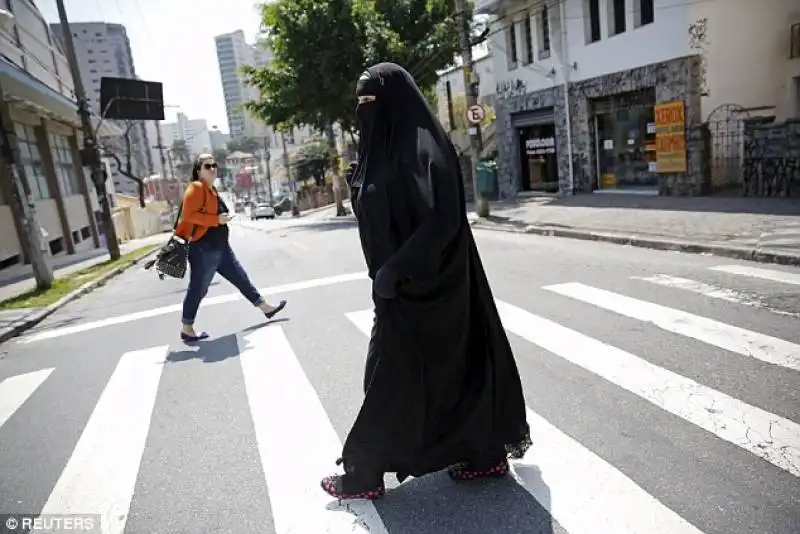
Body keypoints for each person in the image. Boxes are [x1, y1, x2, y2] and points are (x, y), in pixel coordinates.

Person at [320, 64, 531, 500]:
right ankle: (484, 452)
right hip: (400, 290)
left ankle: (364, 472)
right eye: (358, 102)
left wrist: (395, 270)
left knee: (387, 379)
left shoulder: (423, 149)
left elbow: (443, 220)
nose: (363, 111)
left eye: (369, 102)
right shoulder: (384, 147)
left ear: (393, 102)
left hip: (423, 289)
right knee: (448, 373)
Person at [175, 154, 286, 342]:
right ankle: (187, 327)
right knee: (198, 289)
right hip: (204, 248)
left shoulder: (211, 189)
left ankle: (265, 308)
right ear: (198, 170)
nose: (212, 169)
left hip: (221, 247)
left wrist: (222, 219)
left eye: (214, 165)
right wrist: (216, 220)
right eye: (207, 166)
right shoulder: (196, 188)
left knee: (241, 278)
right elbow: (188, 216)